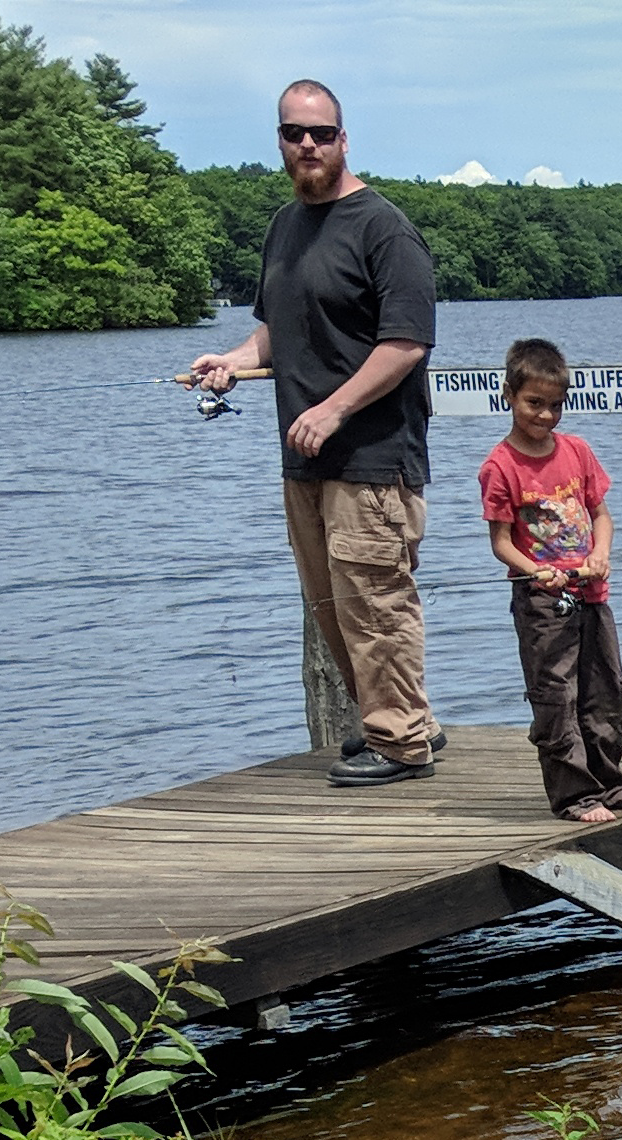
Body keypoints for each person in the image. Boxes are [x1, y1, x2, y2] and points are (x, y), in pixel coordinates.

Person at [187, 79, 443, 787]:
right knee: (333, 606)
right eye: (294, 133)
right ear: (279, 141)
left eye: (321, 133)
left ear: (344, 139)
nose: (307, 145)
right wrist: (233, 363)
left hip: (372, 455)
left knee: (374, 602)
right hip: (303, 461)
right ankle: (404, 719)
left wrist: (334, 409)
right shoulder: (284, 227)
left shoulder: (383, 229)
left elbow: (406, 343)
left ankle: (401, 745)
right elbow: (279, 330)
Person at [480, 340, 622, 822]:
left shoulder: (578, 451)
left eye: (556, 404)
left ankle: (608, 784)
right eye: (535, 403)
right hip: (541, 602)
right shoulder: (500, 466)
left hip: (591, 593)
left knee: (605, 690)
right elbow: (502, 543)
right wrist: (536, 571)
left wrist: (600, 553)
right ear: (509, 394)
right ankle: (574, 796)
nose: (546, 415)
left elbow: (602, 516)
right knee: (557, 694)